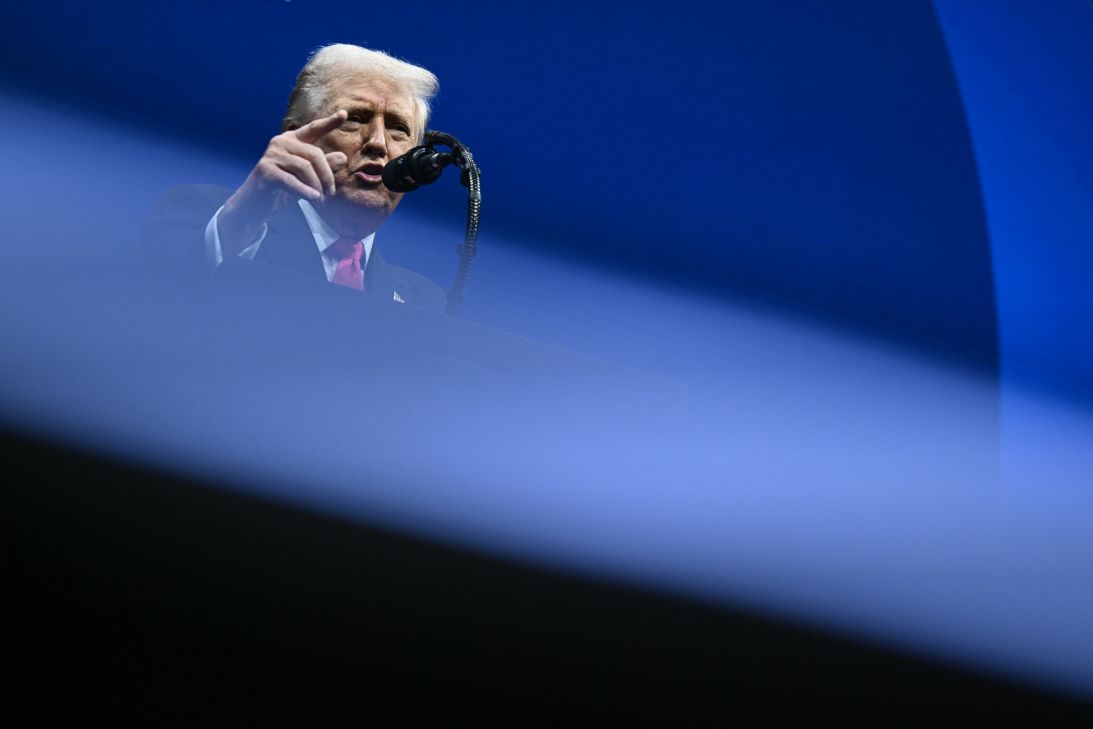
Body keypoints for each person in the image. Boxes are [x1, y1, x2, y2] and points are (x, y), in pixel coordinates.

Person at [145, 44, 446, 311]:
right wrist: (244, 218)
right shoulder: (204, 214)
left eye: (398, 129)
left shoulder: (425, 302)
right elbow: (155, 308)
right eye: (355, 118)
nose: (379, 143)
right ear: (296, 138)